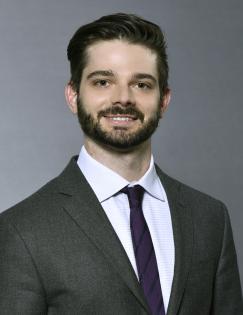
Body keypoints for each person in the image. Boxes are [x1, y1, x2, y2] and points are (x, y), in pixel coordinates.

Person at [0, 13, 242, 315]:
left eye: (141, 84)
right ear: (73, 96)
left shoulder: (210, 219)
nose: (123, 98)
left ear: (164, 100)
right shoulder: (21, 230)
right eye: (103, 82)